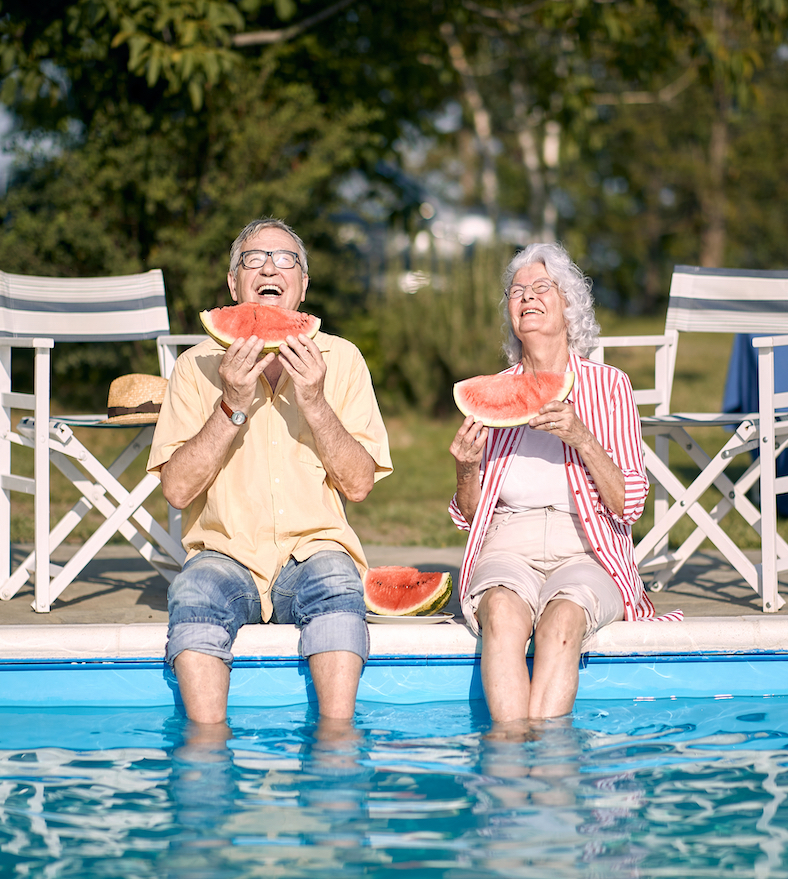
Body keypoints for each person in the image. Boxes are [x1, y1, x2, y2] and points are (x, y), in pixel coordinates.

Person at [148, 218, 392, 726]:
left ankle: (336, 741)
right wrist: (231, 406)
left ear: (303, 286)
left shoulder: (342, 361)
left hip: (314, 549)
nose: (269, 267)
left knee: (337, 583)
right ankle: (206, 750)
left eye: (286, 260)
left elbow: (360, 484)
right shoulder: (196, 366)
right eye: (252, 259)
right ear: (233, 285)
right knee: (191, 591)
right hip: (225, 552)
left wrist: (316, 403)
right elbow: (175, 490)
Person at [449, 242, 680, 725]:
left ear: (569, 305)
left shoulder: (610, 385)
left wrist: (581, 436)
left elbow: (630, 504)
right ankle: (511, 763)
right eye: (516, 292)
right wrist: (466, 468)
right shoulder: (495, 391)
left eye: (541, 288)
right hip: (508, 541)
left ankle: (549, 770)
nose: (527, 298)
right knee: (504, 617)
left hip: (587, 545)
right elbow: (469, 515)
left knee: (562, 622)